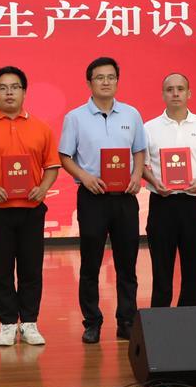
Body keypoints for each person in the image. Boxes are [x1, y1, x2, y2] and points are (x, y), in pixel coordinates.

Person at [0, 66, 61, 347]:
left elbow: (52, 166)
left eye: (15, 87)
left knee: (31, 268)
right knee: (1, 269)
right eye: (3, 88)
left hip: (32, 209)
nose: (9, 93)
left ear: (24, 92)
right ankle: (7, 323)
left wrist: (43, 188)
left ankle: (29, 322)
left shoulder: (41, 128)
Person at [59, 56, 146, 344]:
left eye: (111, 77)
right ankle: (92, 322)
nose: (106, 82)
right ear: (89, 83)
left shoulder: (131, 114)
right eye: (100, 77)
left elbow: (139, 150)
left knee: (127, 263)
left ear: (117, 81)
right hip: (92, 197)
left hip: (125, 197)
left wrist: (137, 175)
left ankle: (127, 321)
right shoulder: (75, 117)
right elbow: (65, 156)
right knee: (91, 263)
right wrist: (84, 177)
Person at [142, 73, 196, 308]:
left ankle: (190, 319)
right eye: (170, 89)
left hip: (194, 203)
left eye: (180, 89)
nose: (175, 93)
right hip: (162, 203)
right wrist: (155, 182)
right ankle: (160, 319)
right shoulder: (149, 128)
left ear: (189, 93)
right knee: (161, 268)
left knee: (194, 269)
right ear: (163, 94)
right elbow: (141, 165)